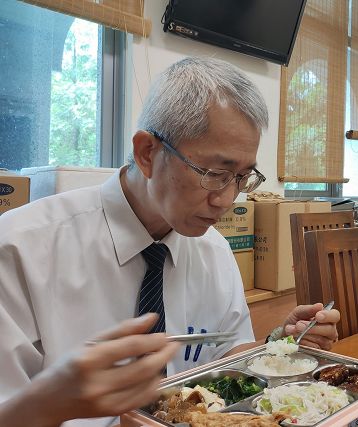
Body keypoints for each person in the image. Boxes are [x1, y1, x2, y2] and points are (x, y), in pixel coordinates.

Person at [0, 57, 339, 426]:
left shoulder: (212, 249)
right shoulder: (21, 247)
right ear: (148, 153)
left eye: (242, 177)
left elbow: (228, 354)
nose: (227, 200)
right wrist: (51, 401)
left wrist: (277, 345)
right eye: (213, 173)